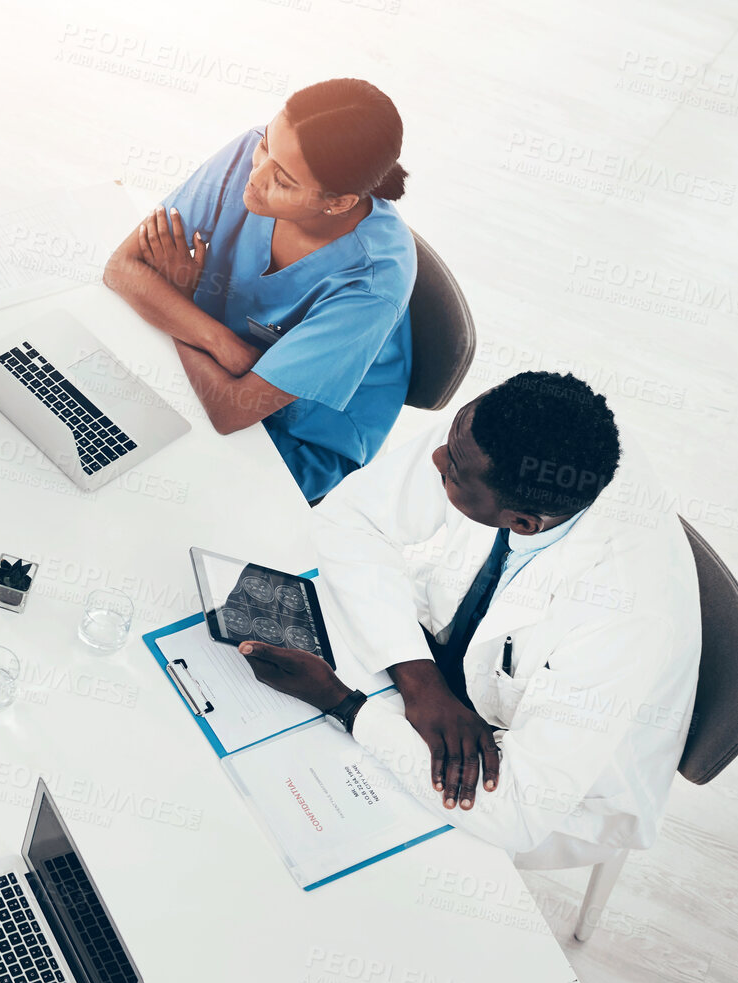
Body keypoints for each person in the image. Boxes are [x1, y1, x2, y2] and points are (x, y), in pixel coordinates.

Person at [236, 372, 701, 868]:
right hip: (443, 670)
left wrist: (345, 706)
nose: (436, 458)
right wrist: (420, 682)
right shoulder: (519, 434)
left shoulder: (623, 615)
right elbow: (352, 518)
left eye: (451, 469)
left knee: (293, 825)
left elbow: (518, 815)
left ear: (523, 523)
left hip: (548, 787)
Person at [104, 78, 415, 501]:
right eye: (266, 144)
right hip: (208, 366)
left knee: (145, 489)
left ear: (338, 202)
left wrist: (176, 302)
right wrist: (220, 342)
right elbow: (123, 269)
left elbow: (232, 410)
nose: (254, 176)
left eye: (283, 182)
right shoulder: (259, 156)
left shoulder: (372, 285)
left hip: (294, 441)